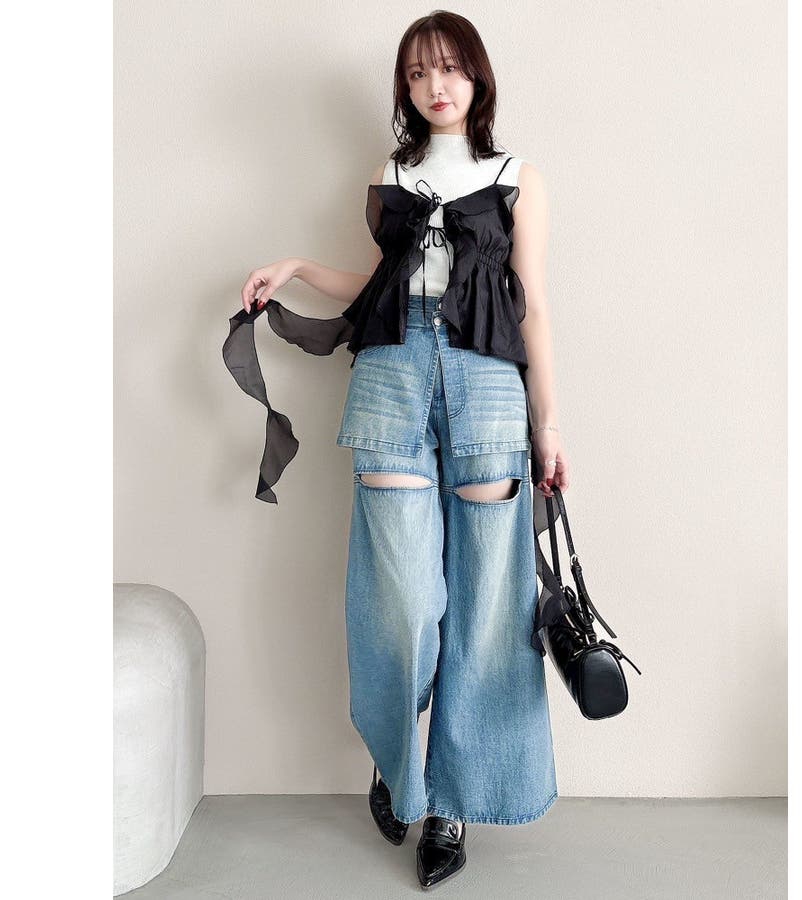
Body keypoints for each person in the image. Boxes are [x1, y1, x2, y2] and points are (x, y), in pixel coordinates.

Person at [227, 11, 570, 890]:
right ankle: (396, 758)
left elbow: (532, 305)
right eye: (417, 74)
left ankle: (452, 801)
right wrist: (299, 268)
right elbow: (381, 285)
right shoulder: (388, 176)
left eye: (449, 68)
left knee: (486, 607)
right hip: (391, 377)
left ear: (477, 77)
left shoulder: (517, 177)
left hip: (487, 382)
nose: (435, 86)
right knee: (403, 600)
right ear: (405, 88)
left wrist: (549, 425)